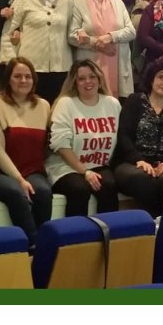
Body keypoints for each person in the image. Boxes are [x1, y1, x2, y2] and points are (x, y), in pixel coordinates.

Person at [0, 57, 52, 240]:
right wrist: (19, 179)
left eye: (28, 76)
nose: (23, 80)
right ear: (8, 79)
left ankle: (45, 243)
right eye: (17, 76)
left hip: (32, 171)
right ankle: (32, 243)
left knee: (43, 192)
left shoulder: (44, 106)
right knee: (16, 192)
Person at [45, 60, 121, 216]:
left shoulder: (112, 104)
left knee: (109, 186)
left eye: (92, 76)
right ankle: (77, 232)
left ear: (99, 79)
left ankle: (108, 230)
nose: (88, 81)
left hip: (98, 165)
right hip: (65, 167)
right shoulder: (65, 103)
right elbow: (61, 146)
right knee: (79, 189)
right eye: (81, 78)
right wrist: (85, 171)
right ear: (75, 82)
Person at [114, 57, 163, 216]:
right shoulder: (135, 101)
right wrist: (139, 160)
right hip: (132, 163)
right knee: (144, 178)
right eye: (161, 77)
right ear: (152, 78)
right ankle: (154, 222)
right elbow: (123, 136)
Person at [3, 0, 74, 104]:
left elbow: (73, 32)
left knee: (57, 110)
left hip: (61, 68)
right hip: (30, 69)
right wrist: (11, 65)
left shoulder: (67, 1)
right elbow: (8, 32)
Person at [70, 0, 136, 99]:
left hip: (119, 69)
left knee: (119, 107)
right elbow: (72, 36)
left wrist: (111, 37)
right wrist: (97, 43)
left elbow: (131, 32)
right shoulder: (78, 4)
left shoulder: (118, 3)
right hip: (90, 69)